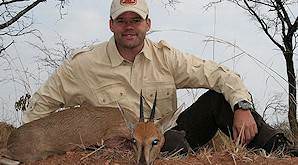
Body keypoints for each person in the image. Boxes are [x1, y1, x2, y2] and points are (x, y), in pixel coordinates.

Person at [23, 0, 297, 156]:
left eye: (136, 20)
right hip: (124, 147)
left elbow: (219, 74)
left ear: (147, 24)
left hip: (166, 135)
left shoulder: (165, 56)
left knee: (218, 99)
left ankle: (279, 150)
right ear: (111, 25)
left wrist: (242, 106)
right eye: (121, 20)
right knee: (174, 145)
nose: (129, 26)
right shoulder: (82, 66)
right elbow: (40, 107)